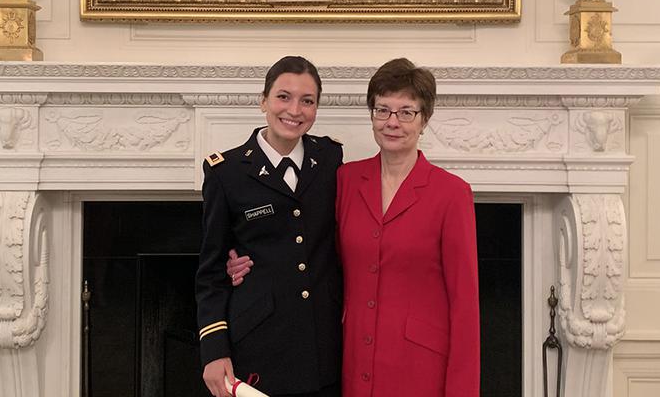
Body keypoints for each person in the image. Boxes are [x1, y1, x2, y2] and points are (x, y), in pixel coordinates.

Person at [229, 58, 480, 396]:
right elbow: (308, 244)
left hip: (421, 370)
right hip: (353, 363)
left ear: (424, 120)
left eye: (406, 112)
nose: (393, 122)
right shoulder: (345, 179)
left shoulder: (451, 193)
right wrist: (246, 260)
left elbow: (465, 305)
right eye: (382, 110)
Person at [196, 56, 343, 397]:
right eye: (283, 96)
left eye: (307, 101)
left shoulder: (331, 160)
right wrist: (214, 348)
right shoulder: (226, 172)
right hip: (260, 344)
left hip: (323, 345)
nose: (295, 110)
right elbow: (211, 271)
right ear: (263, 100)